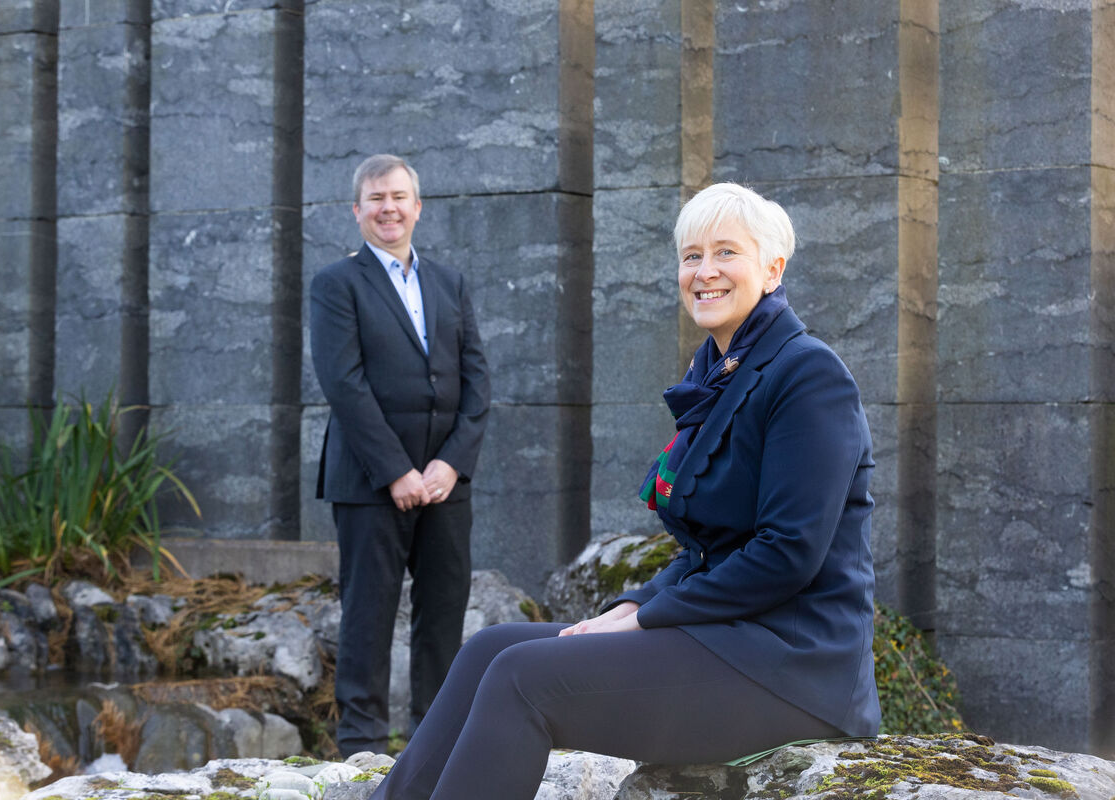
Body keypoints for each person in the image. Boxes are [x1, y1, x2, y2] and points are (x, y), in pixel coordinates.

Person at [370, 183, 880, 800]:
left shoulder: (808, 374)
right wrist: (630, 606)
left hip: (795, 669)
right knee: (489, 648)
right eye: (691, 256)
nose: (704, 271)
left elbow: (787, 554)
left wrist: (645, 618)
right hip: (729, 638)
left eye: (726, 252)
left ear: (772, 270)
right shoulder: (718, 373)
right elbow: (706, 553)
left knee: (522, 677)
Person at [309, 154, 491, 757]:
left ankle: (434, 744)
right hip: (369, 481)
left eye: (398, 197)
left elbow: (477, 381)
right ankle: (360, 748)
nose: (388, 208)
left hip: (445, 482)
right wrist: (396, 471)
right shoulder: (336, 284)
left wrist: (450, 464)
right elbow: (344, 385)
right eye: (376, 198)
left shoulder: (450, 282)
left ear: (417, 207)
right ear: (356, 210)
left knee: (443, 613)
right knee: (367, 614)